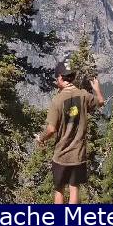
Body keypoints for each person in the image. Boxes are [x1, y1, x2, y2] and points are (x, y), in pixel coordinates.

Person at [37, 56, 105, 204]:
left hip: (61, 155)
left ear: (61, 78)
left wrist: (41, 139)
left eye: (57, 78)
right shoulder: (83, 95)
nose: (56, 80)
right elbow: (100, 101)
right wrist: (96, 89)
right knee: (74, 188)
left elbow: (51, 129)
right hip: (78, 154)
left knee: (59, 189)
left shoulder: (58, 100)